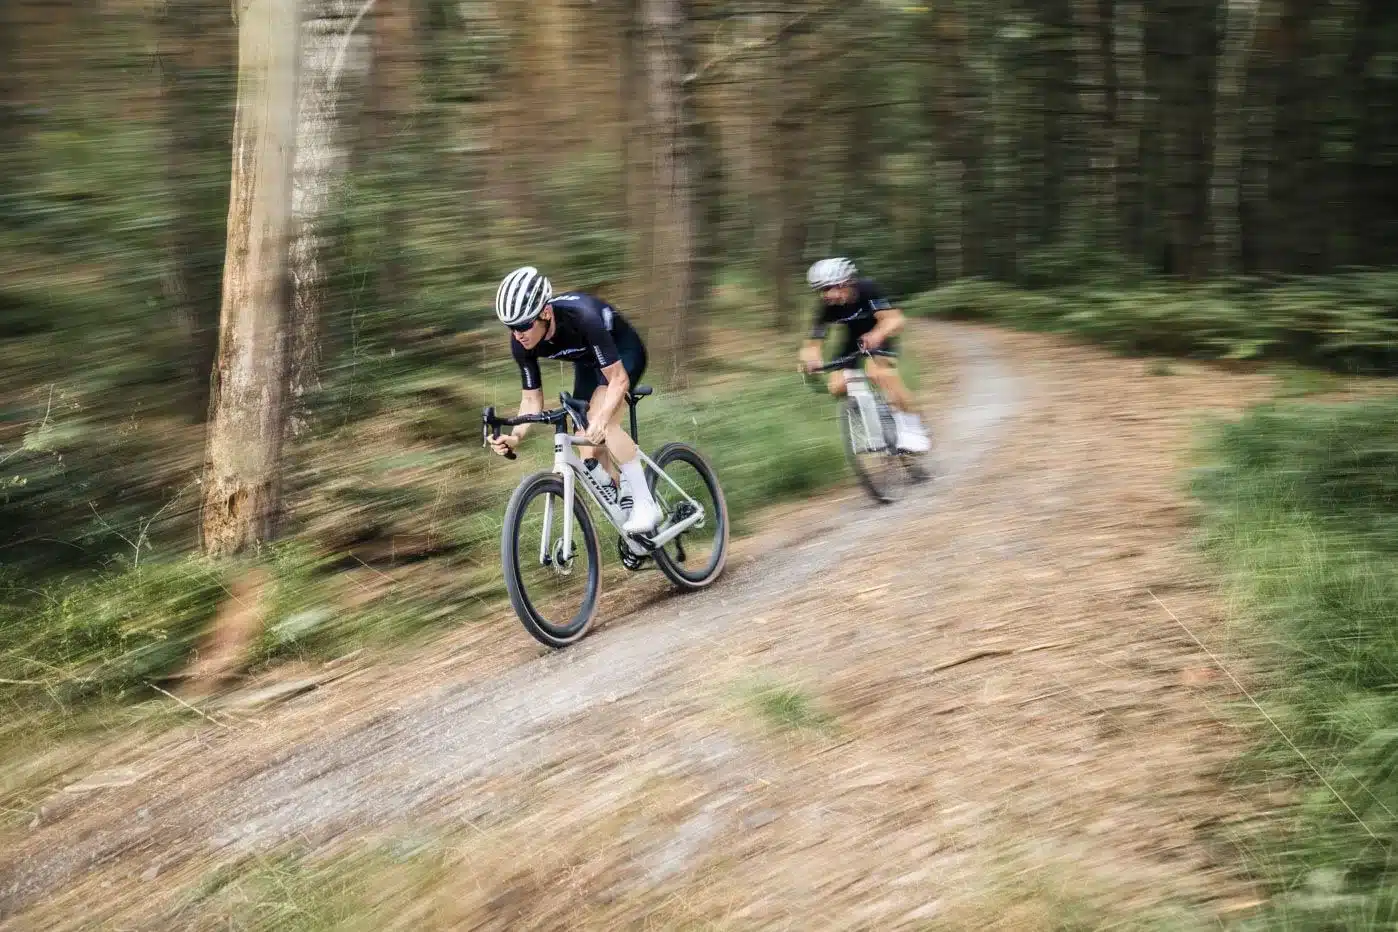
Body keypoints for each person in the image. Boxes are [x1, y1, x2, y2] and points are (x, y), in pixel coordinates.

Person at [487, 265, 662, 534]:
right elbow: (532, 400)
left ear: (545, 312)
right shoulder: (520, 342)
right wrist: (516, 436)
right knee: (586, 443)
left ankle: (645, 502)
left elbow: (619, 380)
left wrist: (603, 417)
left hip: (622, 353)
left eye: (523, 325)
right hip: (588, 363)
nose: (518, 334)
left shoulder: (583, 317)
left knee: (599, 420)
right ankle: (625, 507)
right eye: (511, 327)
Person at [798, 257, 930, 454]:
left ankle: (913, 427)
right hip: (853, 338)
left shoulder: (868, 290)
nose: (829, 295)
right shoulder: (826, 307)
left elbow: (895, 320)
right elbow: (813, 342)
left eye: (833, 287)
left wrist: (877, 334)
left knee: (879, 373)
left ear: (848, 281)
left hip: (880, 330)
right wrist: (811, 359)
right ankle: (874, 424)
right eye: (823, 290)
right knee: (836, 385)